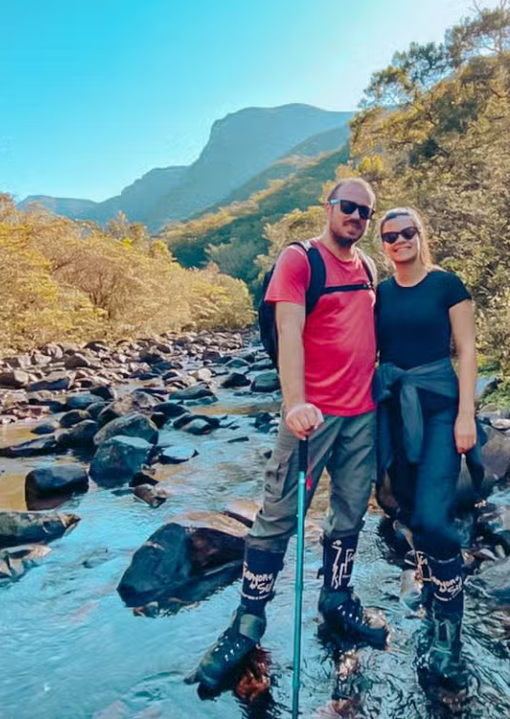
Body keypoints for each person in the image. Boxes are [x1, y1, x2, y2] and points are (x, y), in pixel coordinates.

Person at [190, 177, 388, 690]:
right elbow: (289, 333)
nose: (357, 218)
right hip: (311, 417)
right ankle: (247, 624)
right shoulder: (300, 260)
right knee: (277, 517)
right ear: (329, 207)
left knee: (349, 513)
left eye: (366, 212)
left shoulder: (367, 266)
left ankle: (337, 599)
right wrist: (296, 400)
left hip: (363, 413)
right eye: (349, 207)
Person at [372, 206, 478, 686]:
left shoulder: (447, 285)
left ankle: (448, 638)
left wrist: (466, 415)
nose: (400, 241)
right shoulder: (380, 293)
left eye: (407, 232)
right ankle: (434, 596)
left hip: (437, 405)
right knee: (411, 513)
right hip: (394, 408)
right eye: (390, 236)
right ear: (383, 246)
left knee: (435, 519)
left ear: (421, 234)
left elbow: (468, 350)